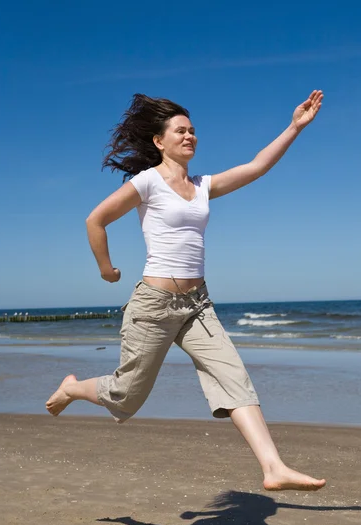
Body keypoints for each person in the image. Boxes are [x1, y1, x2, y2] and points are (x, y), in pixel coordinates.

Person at [46, 91, 326, 492]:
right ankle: (73, 387)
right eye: (181, 131)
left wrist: (295, 126)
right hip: (154, 307)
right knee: (126, 397)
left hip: (198, 305)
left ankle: (273, 467)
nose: (190, 136)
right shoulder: (147, 182)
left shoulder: (202, 185)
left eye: (193, 131)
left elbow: (256, 167)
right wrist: (107, 270)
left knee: (234, 378)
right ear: (160, 141)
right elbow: (96, 220)